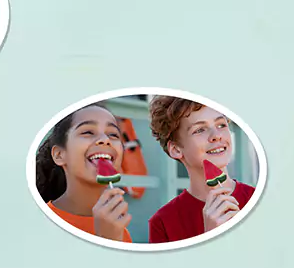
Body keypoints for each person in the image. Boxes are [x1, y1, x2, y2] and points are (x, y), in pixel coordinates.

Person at [147, 97, 255, 243]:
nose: (216, 136)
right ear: (176, 149)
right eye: (200, 130)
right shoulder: (162, 223)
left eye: (221, 125)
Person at [35, 104, 133, 242]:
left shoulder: (119, 230)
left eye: (113, 134)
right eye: (87, 132)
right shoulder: (37, 225)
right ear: (59, 155)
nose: (105, 139)